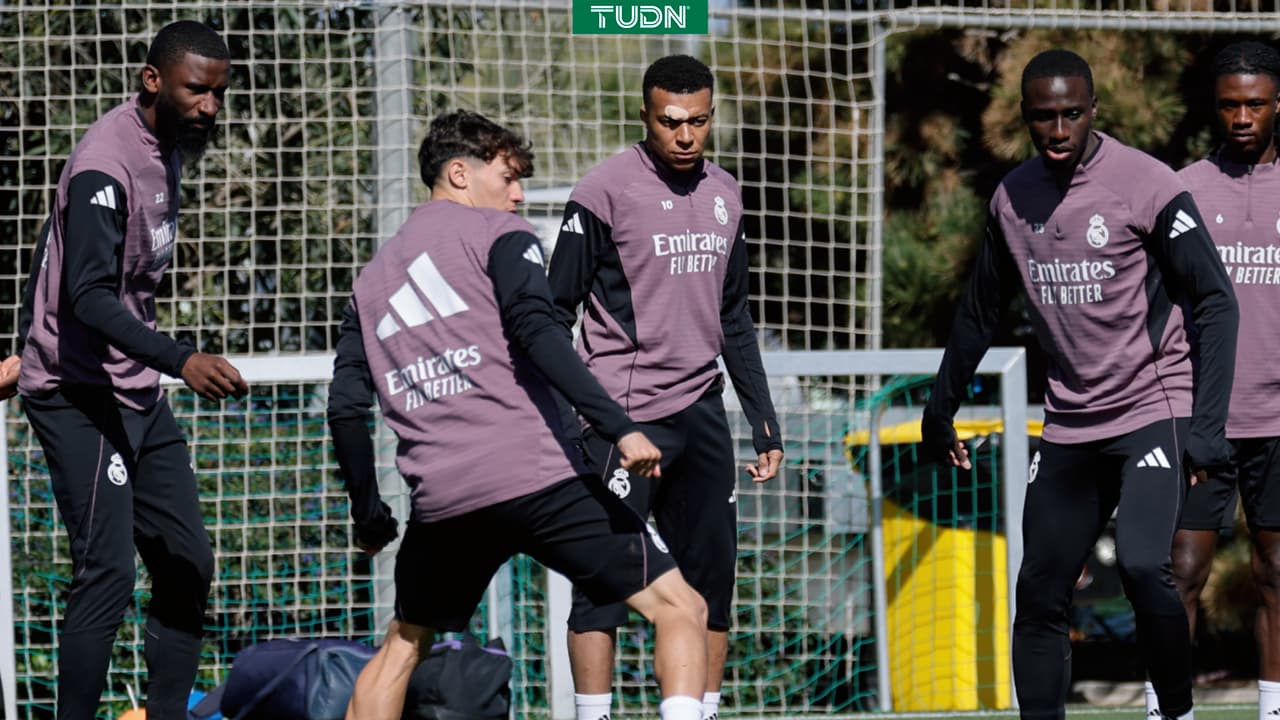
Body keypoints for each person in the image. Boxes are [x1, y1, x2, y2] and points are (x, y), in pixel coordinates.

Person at [327, 110, 710, 720]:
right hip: (538, 480)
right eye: (508, 177)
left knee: (401, 648)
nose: (519, 193)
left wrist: (369, 513)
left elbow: (346, 408)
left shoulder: (369, 285)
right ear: (458, 173)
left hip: (443, 503)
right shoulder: (498, 236)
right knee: (681, 608)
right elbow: (540, 330)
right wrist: (619, 425)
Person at [919, 49, 1238, 720]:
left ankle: (1174, 711)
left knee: (1144, 565)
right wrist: (939, 409)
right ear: (1026, 119)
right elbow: (980, 310)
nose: (1059, 130)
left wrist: (1207, 428)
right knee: (1039, 592)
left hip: (1155, 405)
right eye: (1044, 118)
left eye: (1071, 114)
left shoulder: (1146, 184)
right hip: (1070, 421)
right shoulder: (1011, 200)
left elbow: (1215, 301)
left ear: (1094, 110)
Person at [15, 21, 247, 720]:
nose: (209, 106)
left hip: (134, 390)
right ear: (153, 81)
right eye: (195, 90)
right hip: (77, 395)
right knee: (109, 573)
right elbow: (84, 295)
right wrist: (181, 357)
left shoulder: (167, 149)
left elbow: (47, 248)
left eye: (218, 93)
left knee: (187, 563)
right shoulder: (105, 163)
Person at [545, 54, 784, 720]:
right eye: (670, 122)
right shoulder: (602, 192)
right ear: (645, 116)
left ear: (712, 116)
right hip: (619, 425)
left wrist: (764, 422)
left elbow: (733, 317)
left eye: (699, 122)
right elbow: (552, 314)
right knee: (603, 587)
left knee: (710, 587)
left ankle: (701, 713)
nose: (685, 136)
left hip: (701, 415)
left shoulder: (726, 194)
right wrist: (580, 420)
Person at [1166, 40, 1280, 720]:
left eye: (1256, 104)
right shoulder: (1182, 189)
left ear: (1277, 105)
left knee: (1278, 572)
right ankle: (1167, 709)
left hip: (1278, 415)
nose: (1242, 117)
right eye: (1230, 104)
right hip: (1200, 414)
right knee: (1180, 569)